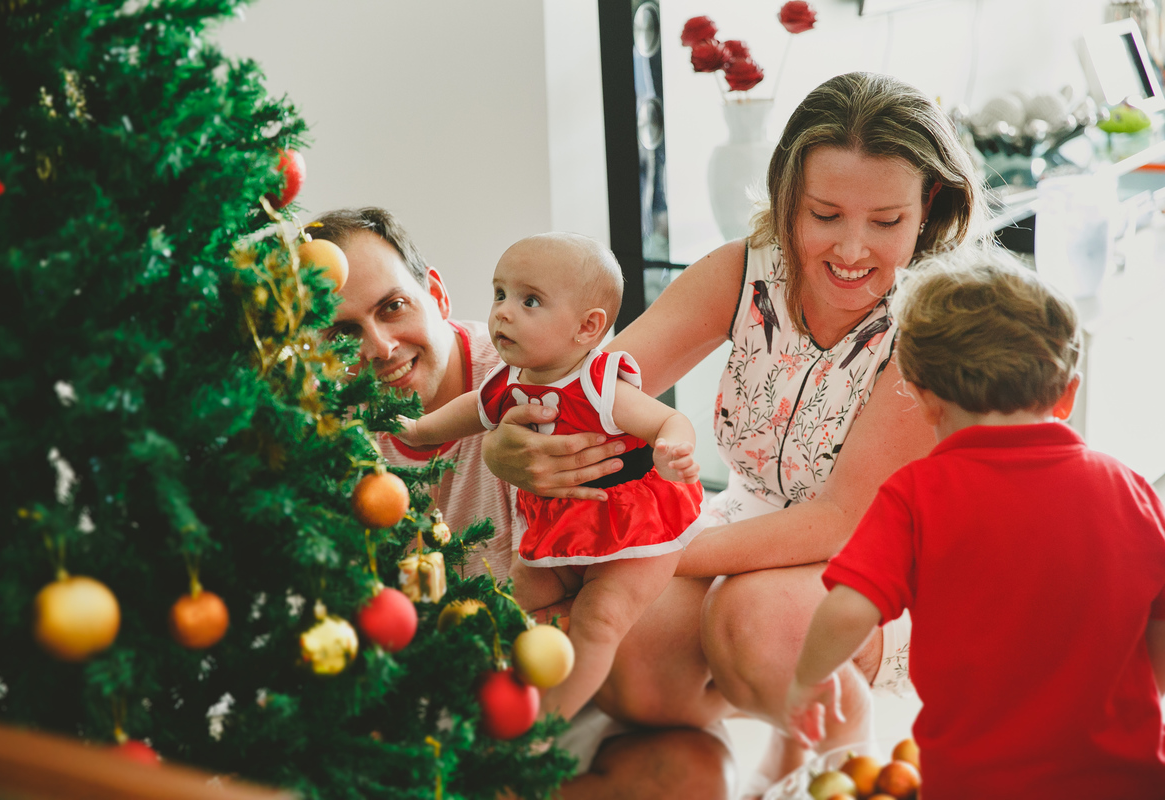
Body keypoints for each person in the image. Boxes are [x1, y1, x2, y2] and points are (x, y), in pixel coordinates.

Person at [481, 71, 985, 794]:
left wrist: (654, 551)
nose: (852, 249)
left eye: (886, 222)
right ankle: (770, 737)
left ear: (928, 204)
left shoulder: (929, 325)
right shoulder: (746, 271)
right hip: (747, 523)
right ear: (788, 195)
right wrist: (512, 441)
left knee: (754, 618)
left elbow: (840, 523)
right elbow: (595, 389)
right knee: (633, 652)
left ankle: (846, 752)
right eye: (825, 214)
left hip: (886, 560)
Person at [785, 250, 1165, 796]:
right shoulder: (1130, 489)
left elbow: (848, 610)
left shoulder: (917, 496)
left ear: (924, 399)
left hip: (976, 782)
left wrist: (807, 680)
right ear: (1067, 394)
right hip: (1126, 778)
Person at [398, 232, 705, 721]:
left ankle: (549, 724)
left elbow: (667, 420)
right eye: (500, 294)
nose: (503, 312)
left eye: (530, 301)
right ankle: (488, 694)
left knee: (599, 619)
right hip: (561, 524)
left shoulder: (599, 383)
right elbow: (468, 412)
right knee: (513, 596)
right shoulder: (507, 381)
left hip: (630, 522)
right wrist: (417, 431)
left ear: (587, 327)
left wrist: (674, 451)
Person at [307, 207, 519, 581]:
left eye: (393, 307)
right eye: (343, 334)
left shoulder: (523, 385)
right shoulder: (331, 433)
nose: (381, 348)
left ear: (437, 295)